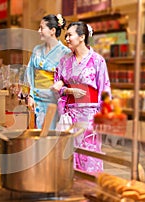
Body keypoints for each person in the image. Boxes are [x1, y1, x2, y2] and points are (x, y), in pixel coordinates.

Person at [52, 21, 111, 173]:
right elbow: (57, 86)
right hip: (70, 114)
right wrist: (69, 91)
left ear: (82, 37)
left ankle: (90, 189)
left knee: (90, 154)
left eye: (70, 35)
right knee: (69, 154)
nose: (67, 39)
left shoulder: (97, 60)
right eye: (66, 36)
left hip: (91, 115)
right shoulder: (64, 61)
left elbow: (105, 89)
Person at [26, 14, 71, 129]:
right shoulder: (37, 49)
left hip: (53, 101)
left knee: (51, 137)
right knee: (36, 136)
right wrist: (30, 95)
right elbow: (29, 73)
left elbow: (70, 77)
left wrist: (61, 82)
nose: (38, 31)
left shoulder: (65, 52)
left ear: (52, 30)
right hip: (36, 99)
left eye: (41, 28)